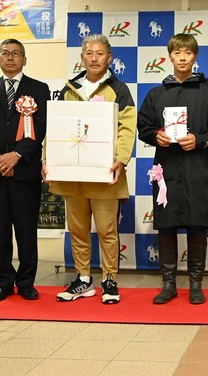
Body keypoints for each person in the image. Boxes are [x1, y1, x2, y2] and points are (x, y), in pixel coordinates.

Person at [43, 34, 136, 305]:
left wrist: (121, 159)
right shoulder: (69, 89)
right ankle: (83, 279)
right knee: (78, 229)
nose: (94, 58)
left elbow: (127, 127)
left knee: (107, 230)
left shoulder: (119, 89)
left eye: (100, 53)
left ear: (109, 57)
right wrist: (47, 159)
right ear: (82, 57)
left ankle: (109, 280)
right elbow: (56, 128)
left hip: (103, 173)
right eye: (89, 53)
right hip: (72, 174)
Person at [137, 33, 208, 305]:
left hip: (198, 167)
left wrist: (198, 139)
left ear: (195, 56)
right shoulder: (156, 94)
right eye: (178, 53)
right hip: (166, 168)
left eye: (188, 52)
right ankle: (169, 284)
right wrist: (156, 136)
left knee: (197, 225)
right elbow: (144, 127)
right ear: (170, 56)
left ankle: (196, 285)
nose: (183, 57)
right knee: (166, 226)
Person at [0, 38, 50, 302]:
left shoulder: (38, 89)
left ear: (24, 59)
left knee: (26, 229)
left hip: (25, 170)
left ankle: (26, 282)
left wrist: (16, 155)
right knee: (0, 229)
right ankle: (3, 282)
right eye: (5, 53)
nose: (10, 57)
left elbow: (41, 126)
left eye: (16, 53)